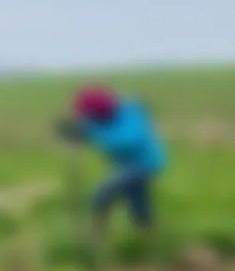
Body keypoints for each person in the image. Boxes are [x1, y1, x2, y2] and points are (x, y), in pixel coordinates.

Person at [55, 86, 168, 235]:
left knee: (102, 195)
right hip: (126, 165)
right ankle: (148, 232)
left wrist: (95, 135)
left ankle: (97, 234)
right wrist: (78, 133)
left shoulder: (130, 114)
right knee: (138, 202)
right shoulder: (98, 120)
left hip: (144, 164)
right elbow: (87, 129)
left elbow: (131, 139)